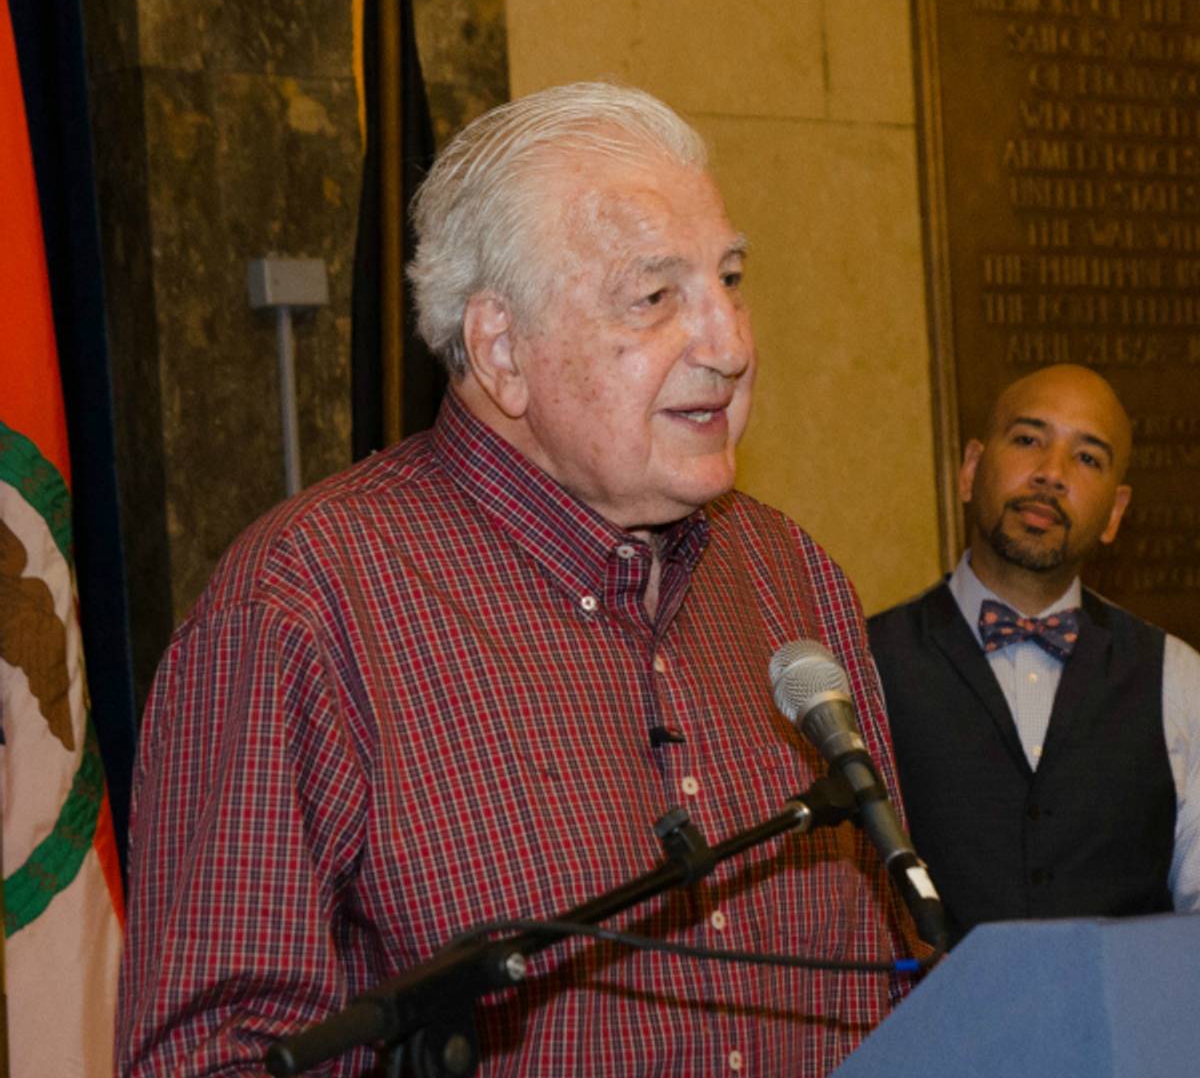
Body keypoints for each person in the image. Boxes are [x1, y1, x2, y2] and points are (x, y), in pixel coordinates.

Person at [116, 82, 915, 1076]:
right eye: (657, 296)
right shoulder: (302, 608)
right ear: (501, 350)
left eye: (733, 279)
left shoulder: (790, 578)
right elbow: (211, 1059)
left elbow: (894, 980)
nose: (731, 346)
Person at [869, 363, 1200, 947]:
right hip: (924, 1034)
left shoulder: (1179, 678)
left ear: (1116, 513)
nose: (1050, 474)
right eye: (1028, 440)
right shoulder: (865, 664)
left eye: (1087, 458)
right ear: (971, 469)